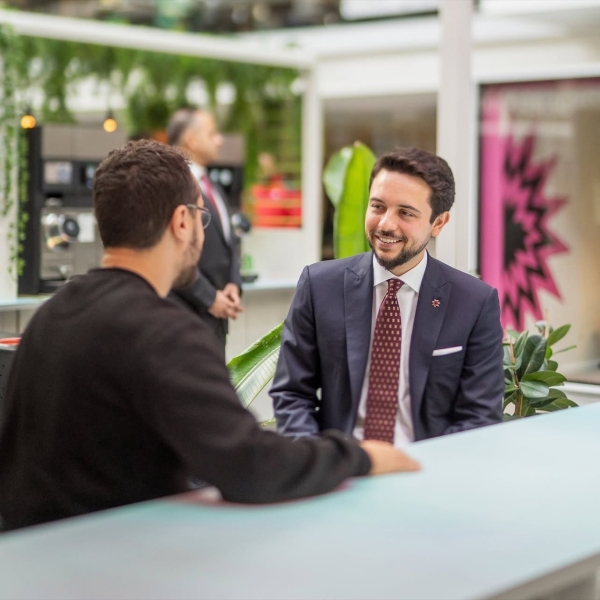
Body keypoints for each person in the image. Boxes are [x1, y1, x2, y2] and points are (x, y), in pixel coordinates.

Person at [0, 140, 419, 532]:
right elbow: (252, 467)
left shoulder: (50, 316)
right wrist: (360, 455)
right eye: (202, 217)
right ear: (182, 222)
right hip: (119, 561)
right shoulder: (165, 332)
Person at [271, 147, 504, 445]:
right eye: (378, 207)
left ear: (438, 223)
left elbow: (480, 416)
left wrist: (427, 466)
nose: (385, 224)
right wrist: (322, 461)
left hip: (427, 465)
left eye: (405, 213)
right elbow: (292, 393)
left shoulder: (473, 302)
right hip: (341, 463)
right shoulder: (319, 286)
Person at [165, 107, 242, 350]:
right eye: (212, 133)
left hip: (216, 324)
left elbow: (230, 242)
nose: (219, 140)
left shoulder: (213, 187)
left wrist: (234, 283)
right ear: (191, 139)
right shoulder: (171, 186)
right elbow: (170, 252)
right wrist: (209, 297)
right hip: (186, 320)